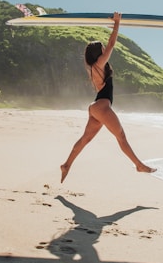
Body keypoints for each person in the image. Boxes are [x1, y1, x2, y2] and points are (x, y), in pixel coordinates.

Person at [60, 11, 156, 183]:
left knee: (85, 139)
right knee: (121, 137)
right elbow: (112, 44)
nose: (105, 49)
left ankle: (66, 164)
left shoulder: (92, 67)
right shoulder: (98, 64)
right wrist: (117, 23)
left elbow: (107, 47)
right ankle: (139, 165)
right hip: (102, 107)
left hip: (95, 107)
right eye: (102, 49)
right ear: (99, 53)